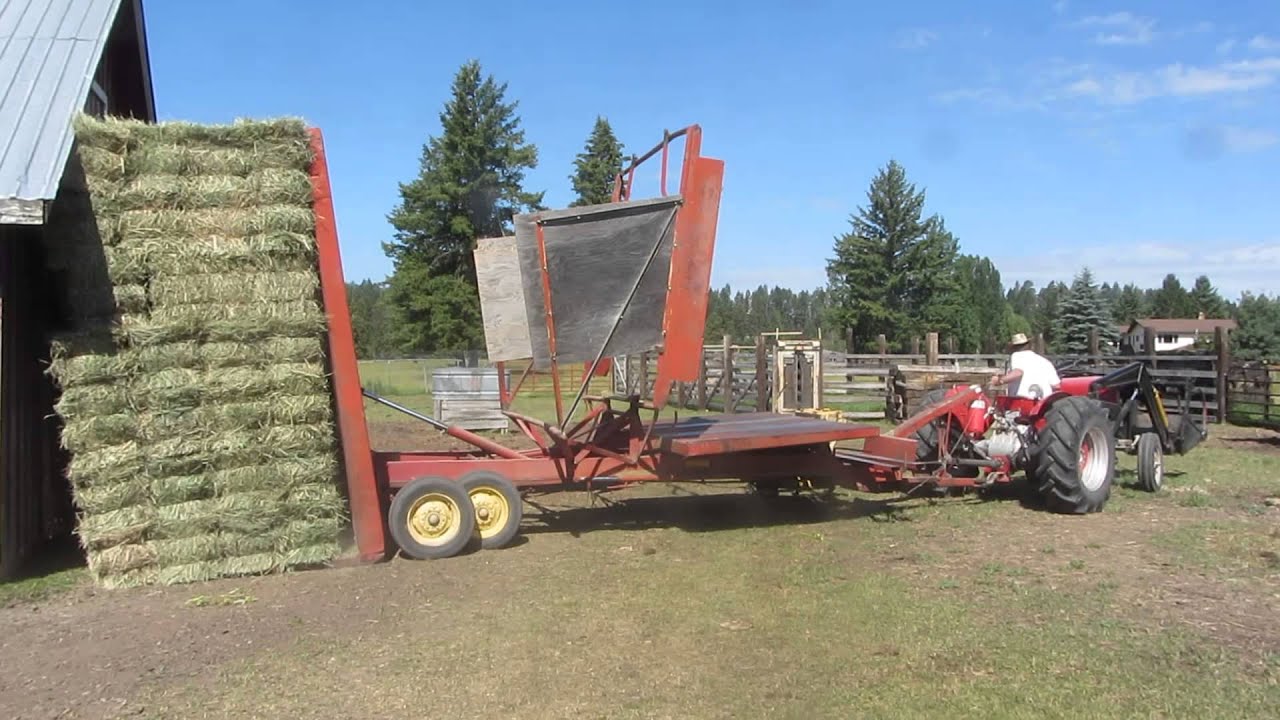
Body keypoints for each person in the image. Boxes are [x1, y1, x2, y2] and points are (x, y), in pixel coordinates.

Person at [989, 333, 1060, 399]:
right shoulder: (1045, 361)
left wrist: (1000, 380)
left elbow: (1018, 372)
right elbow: (1056, 385)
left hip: (1023, 401)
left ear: (1014, 347)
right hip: (1044, 403)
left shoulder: (1017, 355)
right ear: (1028, 345)